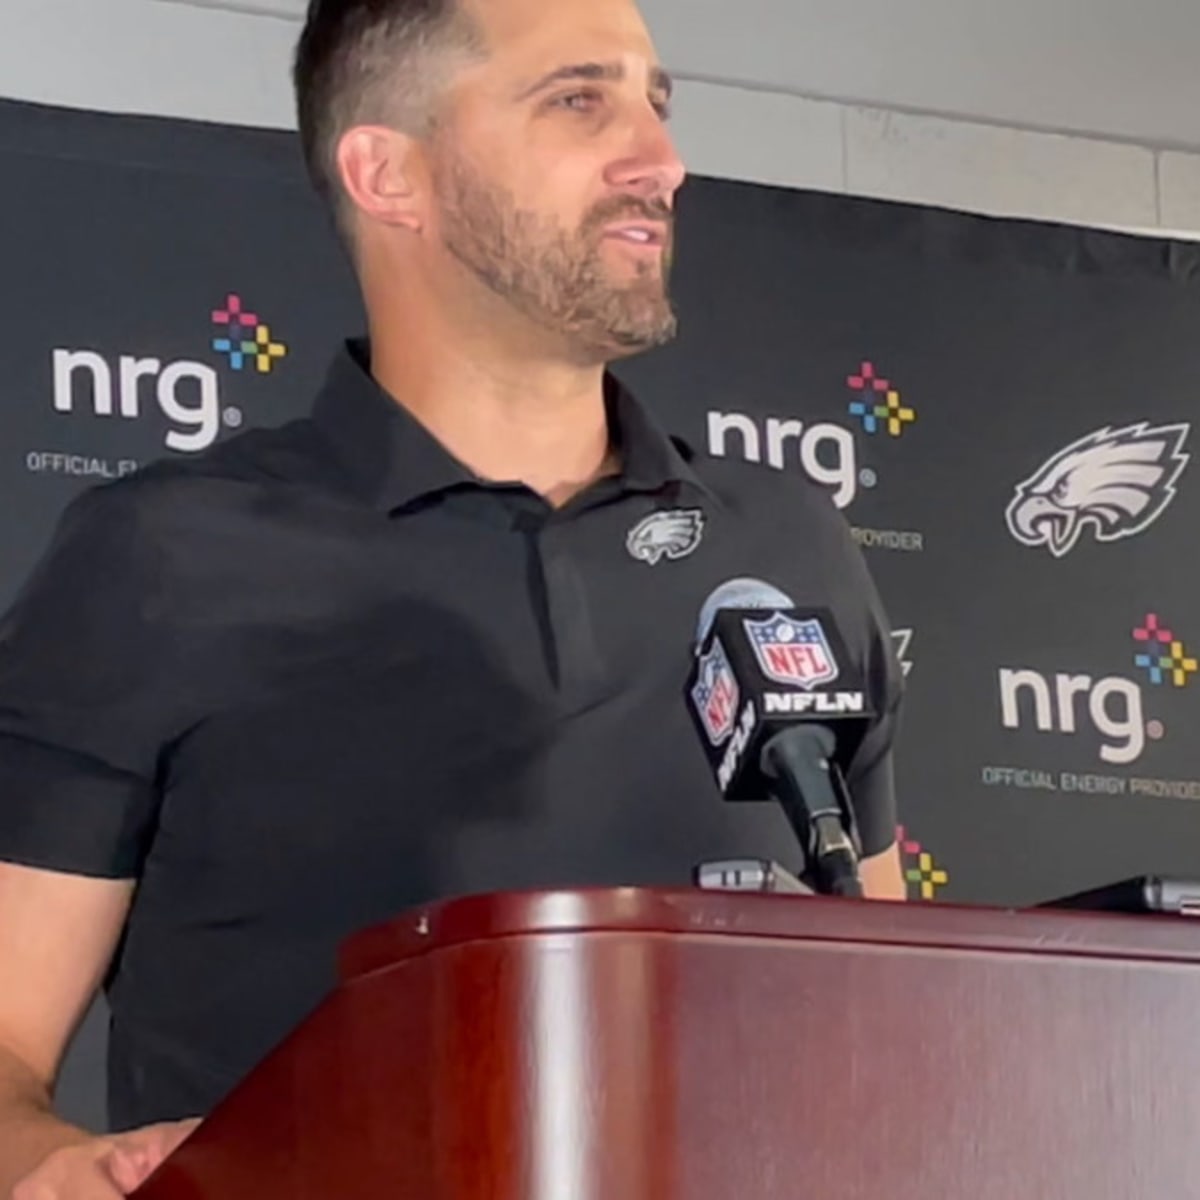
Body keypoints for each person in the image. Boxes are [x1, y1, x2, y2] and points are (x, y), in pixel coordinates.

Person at [0, 0, 907, 1194]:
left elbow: (898, 1006)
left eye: (657, 101)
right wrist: (57, 1166)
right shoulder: (163, 555)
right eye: (579, 100)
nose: (661, 160)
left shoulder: (789, 543)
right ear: (389, 172)